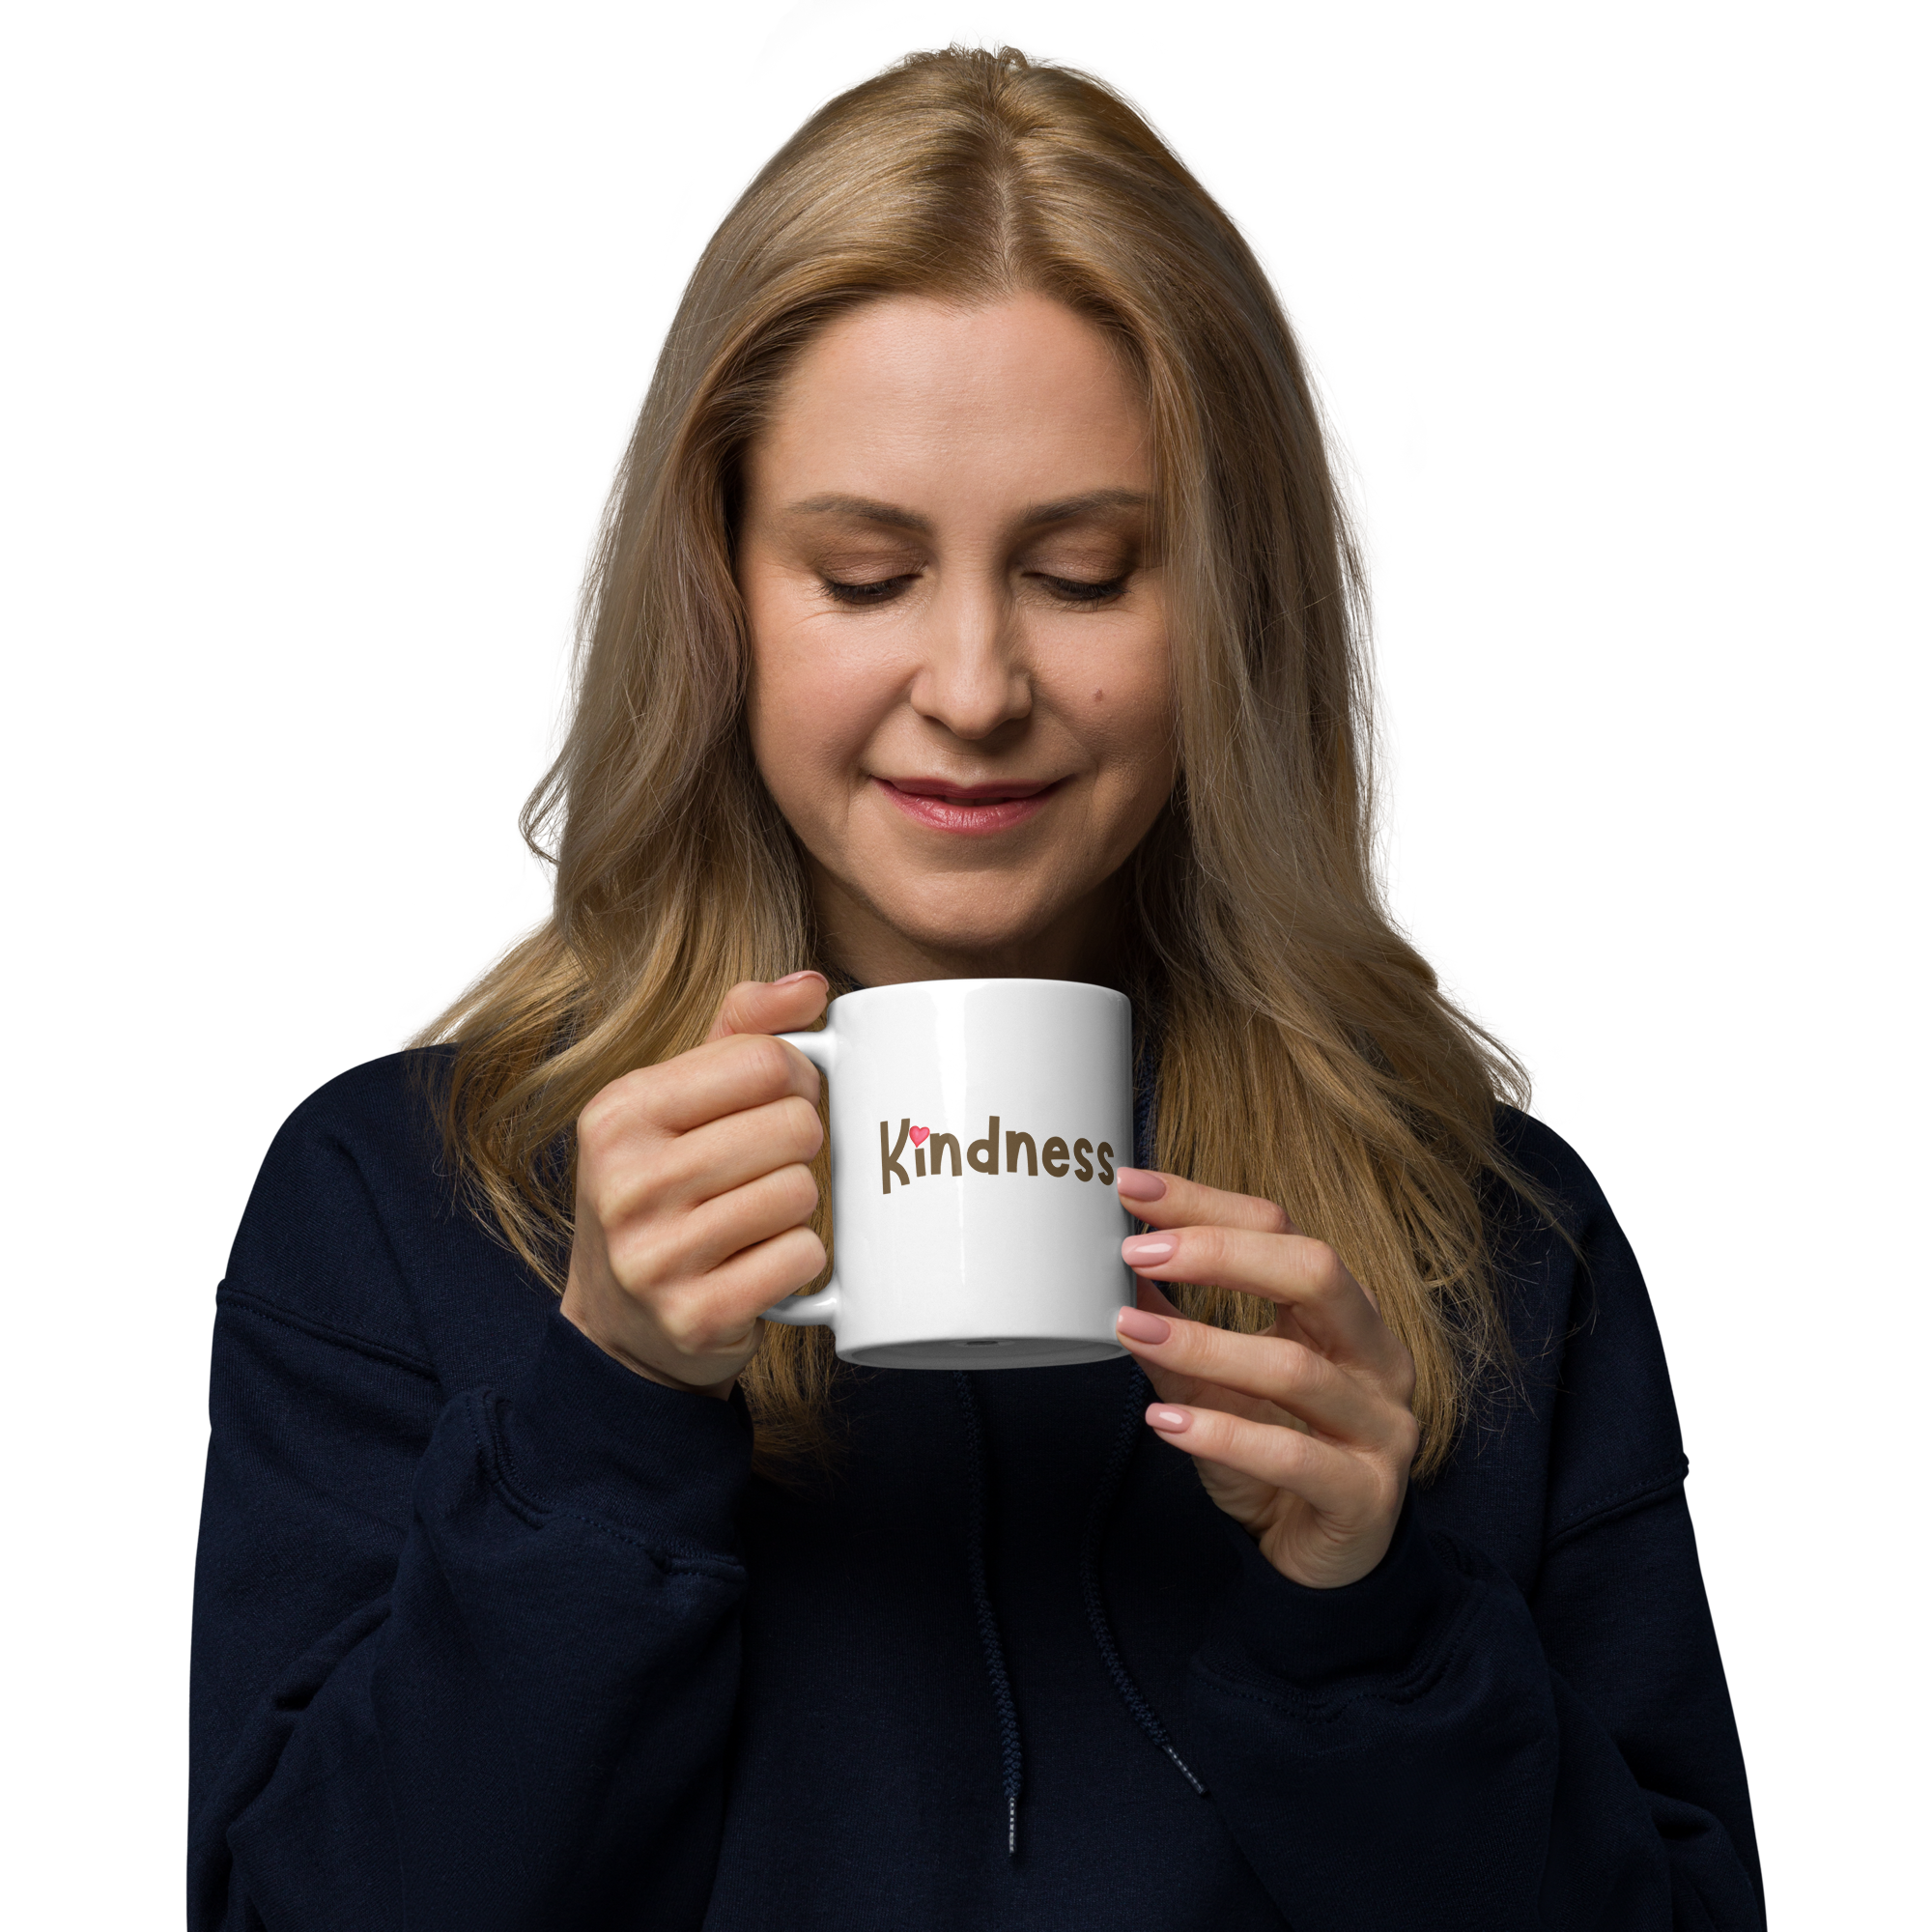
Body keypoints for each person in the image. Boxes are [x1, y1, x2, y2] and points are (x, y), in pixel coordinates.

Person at [187, 40, 1765, 1932]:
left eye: (1085, 571)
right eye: (862, 573)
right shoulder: (398, 1207)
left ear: (1225, 605)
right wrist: (601, 1409)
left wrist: (1373, 1618)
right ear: (724, 591)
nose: (972, 683)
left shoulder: (1504, 1244)